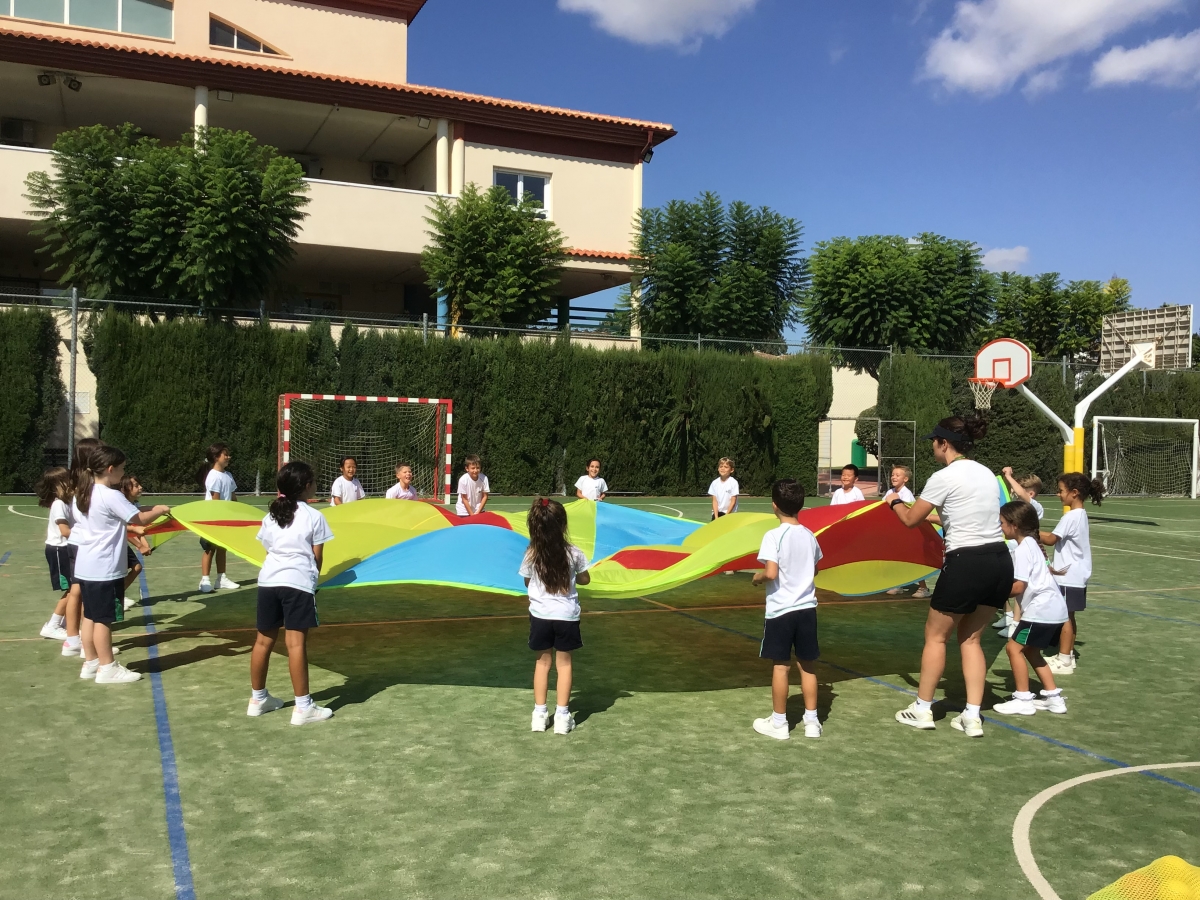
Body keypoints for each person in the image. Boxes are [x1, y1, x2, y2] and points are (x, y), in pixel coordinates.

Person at [890, 416, 1012, 738]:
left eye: (934, 440)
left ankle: (922, 709)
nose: (931, 445)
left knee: (936, 637)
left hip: (966, 563)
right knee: (971, 639)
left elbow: (910, 520)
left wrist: (893, 503)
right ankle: (972, 716)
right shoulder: (985, 472)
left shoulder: (943, 476)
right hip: (999, 562)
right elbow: (954, 512)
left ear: (944, 443)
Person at [247, 461, 336, 725]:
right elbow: (317, 558)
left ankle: (257, 699)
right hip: (296, 583)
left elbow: (268, 550)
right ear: (306, 486)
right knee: (295, 644)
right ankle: (303, 707)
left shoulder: (270, 515)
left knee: (263, 641)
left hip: (268, 582)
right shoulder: (314, 516)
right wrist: (311, 582)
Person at [74, 446, 170, 684]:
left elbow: (128, 514)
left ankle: (91, 662)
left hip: (86, 565)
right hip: (103, 567)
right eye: (122, 469)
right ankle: (107, 667)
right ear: (110, 469)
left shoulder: (86, 491)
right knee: (103, 619)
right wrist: (159, 510)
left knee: (91, 617)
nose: (123, 474)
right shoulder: (110, 494)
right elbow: (138, 518)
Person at [751, 479, 824, 741]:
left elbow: (771, 573)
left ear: (774, 506)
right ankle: (812, 721)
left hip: (781, 611)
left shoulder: (773, 536)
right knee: (808, 666)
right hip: (807, 609)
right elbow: (815, 569)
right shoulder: (809, 535)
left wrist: (758, 577)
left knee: (781, 667)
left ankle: (780, 723)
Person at [521, 498, 591, 735]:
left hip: (540, 615)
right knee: (564, 664)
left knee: (542, 663)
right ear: (562, 525)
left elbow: (527, 580)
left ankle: (539, 715)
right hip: (567, 616)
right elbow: (585, 579)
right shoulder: (574, 553)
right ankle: (562, 716)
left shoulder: (532, 553)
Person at [992, 501, 1068, 716]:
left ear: (1014, 525)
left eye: (1002, 523)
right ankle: (1054, 698)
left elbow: (1018, 586)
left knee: (1013, 649)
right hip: (1054, 610)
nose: (1000, 527)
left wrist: (989, 593)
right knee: (1031, 650)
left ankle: (1023, 698)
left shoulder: (1024, 548)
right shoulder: (1032, 544)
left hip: (1041, 610)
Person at [1039, 472, 1102, 675]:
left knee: (1065, 617)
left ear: (1074, 493)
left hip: (1068, 576)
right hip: (1074, 575)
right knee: (1068, 616)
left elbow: (1050, 539)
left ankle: (1064, 660)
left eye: (1061, 491)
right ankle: (1067, 656)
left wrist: (1027, 528)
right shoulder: (1080, 515)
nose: (1058, 494)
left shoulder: (1072, 516)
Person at [62, 437, 103, 658]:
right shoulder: (89, 483)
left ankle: (72, 640)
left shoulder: (76, 480)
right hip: (84, 543)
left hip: (76, 542)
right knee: (85, 593)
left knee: (76, 591)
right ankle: (87, 645)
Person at [993, 468, 1046, 635]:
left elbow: (1021, 495)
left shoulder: (1034, 506)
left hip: (1019, 550)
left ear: (1030, 493)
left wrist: (1008, 477)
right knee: (1002, 579)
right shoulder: (1020, 506)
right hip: (1010, 547)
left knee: (1018, 585)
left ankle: (1016, 623)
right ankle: (1008, 615)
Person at [37, 466, 74, 641]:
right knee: (72, 589)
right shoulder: (59, 504)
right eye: (69, 478)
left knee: (76, 587)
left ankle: (68, 622)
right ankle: (52, 625)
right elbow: (65, 531)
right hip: (59, 550)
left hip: (67, 548)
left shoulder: (68, 501)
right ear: (60, 484)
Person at [883, 465, 930, 599]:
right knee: (896, 558)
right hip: (895, 531)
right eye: (893, 474)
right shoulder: (890, 492)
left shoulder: (906, 494)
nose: (894, 477)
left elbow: (909, 511)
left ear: (906, 479)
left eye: (898, 475)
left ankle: (923, 587)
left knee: (912, 560)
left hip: (907, 532)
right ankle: (898, 584)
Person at [199, 443, 240, 594]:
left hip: (225, 519)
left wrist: (236, 515)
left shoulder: (228, 475)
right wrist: (219, 518)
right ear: (216, 457)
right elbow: (215, 500)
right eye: (225, 455)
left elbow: (233, 498)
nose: (228, 457)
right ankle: (204, 580)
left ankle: (221, 578)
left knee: (222, 548)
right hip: (213, 519)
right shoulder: (213, 476)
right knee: (210, 549)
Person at [120, 475, 153, 612]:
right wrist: (140, 545)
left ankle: (118, 596)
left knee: (136, 567)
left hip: (122, 543)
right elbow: (125, 529)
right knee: (129, 570)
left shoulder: (134, 504)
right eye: (136, 485)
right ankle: (116, 598)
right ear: (126, 489)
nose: (140, 488)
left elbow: (139, 527)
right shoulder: (122, 505)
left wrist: (145, 544)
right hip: (117, 543)